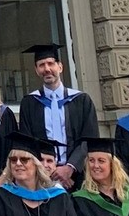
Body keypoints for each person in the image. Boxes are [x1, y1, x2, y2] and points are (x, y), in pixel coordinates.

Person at [15, 44, 99, 190]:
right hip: (41, 177)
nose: (47, 69)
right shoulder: (29, 103)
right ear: (36, 70)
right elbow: (27, 141)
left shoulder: (81, 100)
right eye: (41, 65)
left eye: (51, 63)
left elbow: (89, 139)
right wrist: (47, 170)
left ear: (60, 67)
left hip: (78, 177)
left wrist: (70, 168)